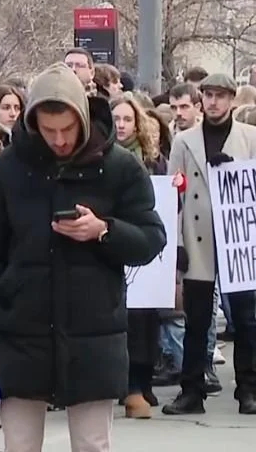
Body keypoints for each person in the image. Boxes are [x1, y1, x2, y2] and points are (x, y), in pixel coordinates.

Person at [0, 63, 166, 452]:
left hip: (93, 333)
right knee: (20, 445)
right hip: (21, 330)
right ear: (32, 120)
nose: (58, 140)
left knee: (92, 444)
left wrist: (104, 230)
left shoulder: (119, 166)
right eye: (48, 130)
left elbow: (151, 238)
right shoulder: (4, 171)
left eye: (67, 129)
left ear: (84, 118)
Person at [162, 73, 256, 417]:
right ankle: (191, 389)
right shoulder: (184, 140)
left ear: (232, 100)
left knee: (245, 318)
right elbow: (173, 192)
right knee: (197, 317)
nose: (213, 102)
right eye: (207, 95)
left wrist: (235, 170)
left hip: (239, 235)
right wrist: (176, 241)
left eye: (220, 95)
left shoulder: (251, 137)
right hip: (197, 236)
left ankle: (247, 390)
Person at [111, 96, 168, 418]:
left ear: (137, 124)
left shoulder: (153, 160)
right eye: (116, 118)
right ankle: (128, 386)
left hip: (147, 258)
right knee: (126, 323)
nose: (121, 125)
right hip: (117, 249)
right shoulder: (99, 159)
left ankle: (143, 383)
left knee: (148, 322)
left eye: (127, 119)